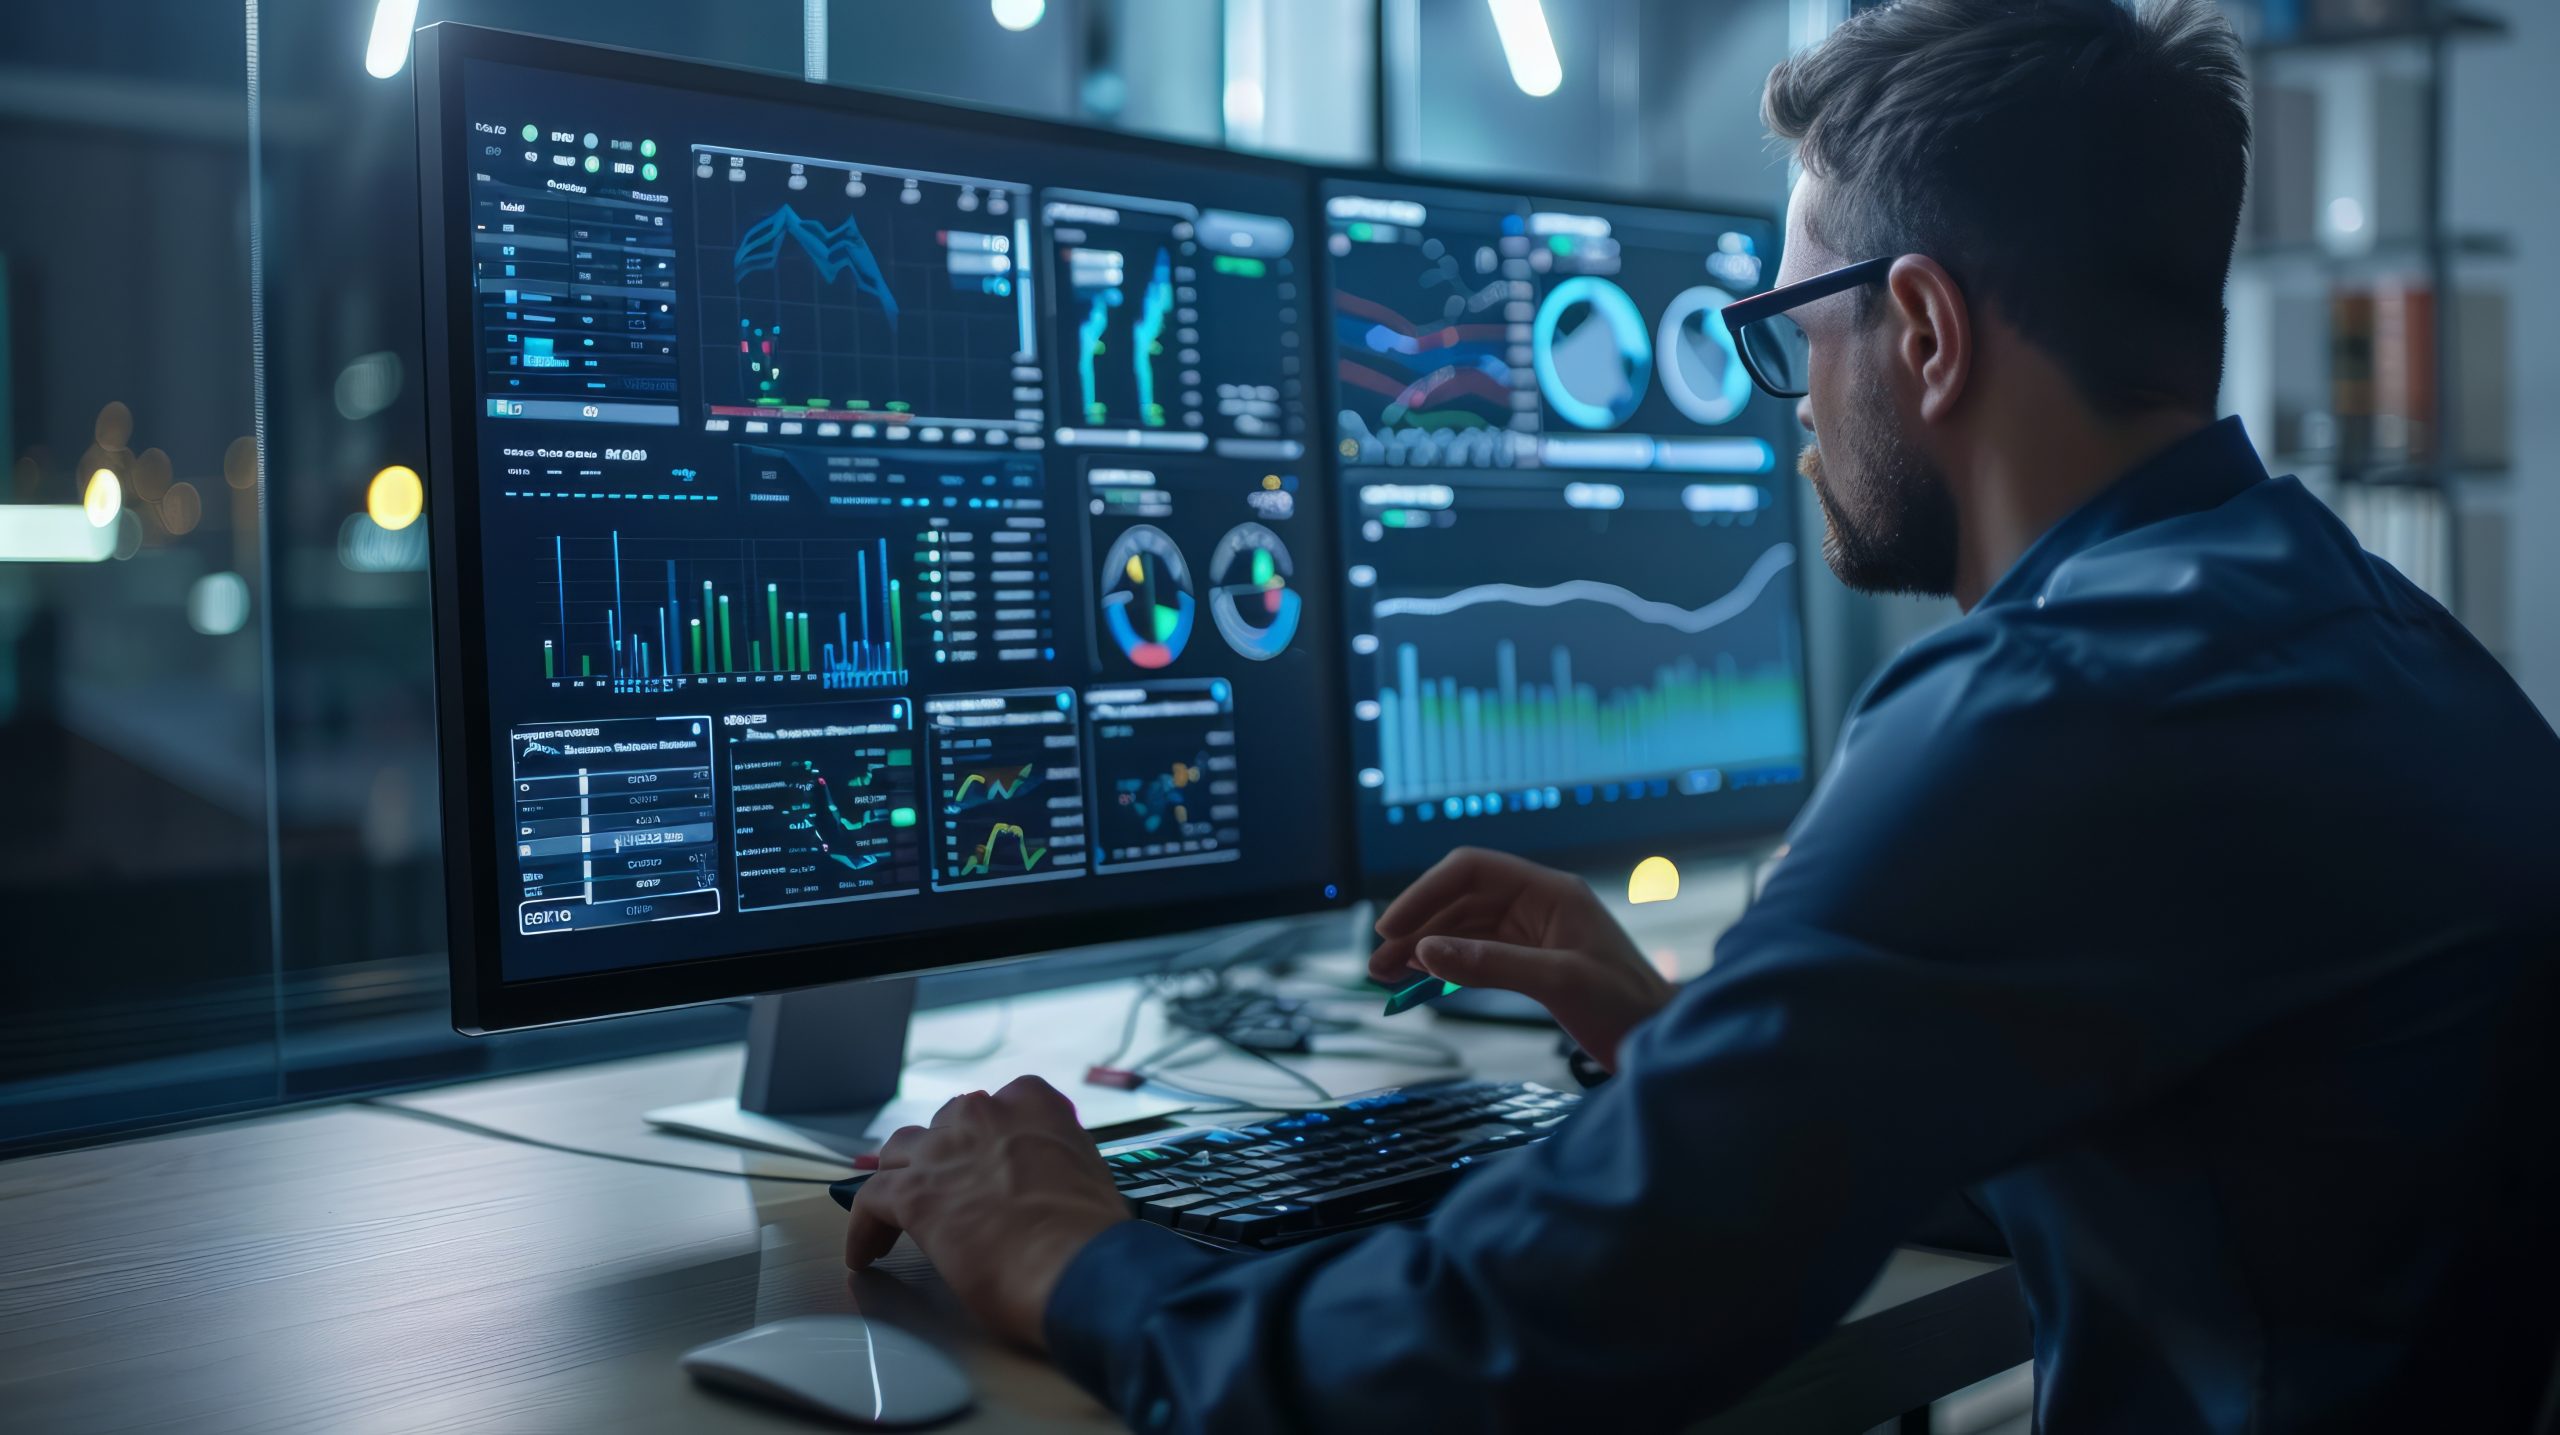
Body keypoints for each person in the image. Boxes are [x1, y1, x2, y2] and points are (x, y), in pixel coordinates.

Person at [843, 0, 2560, 1427]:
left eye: (1786, 324)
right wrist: (1695, 1056)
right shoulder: (2345, 619)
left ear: (1920, 329)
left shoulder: (2048, 708)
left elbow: (1498, 1357)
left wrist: (1068, 1252)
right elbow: (2184, 1124)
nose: (1787, 404)